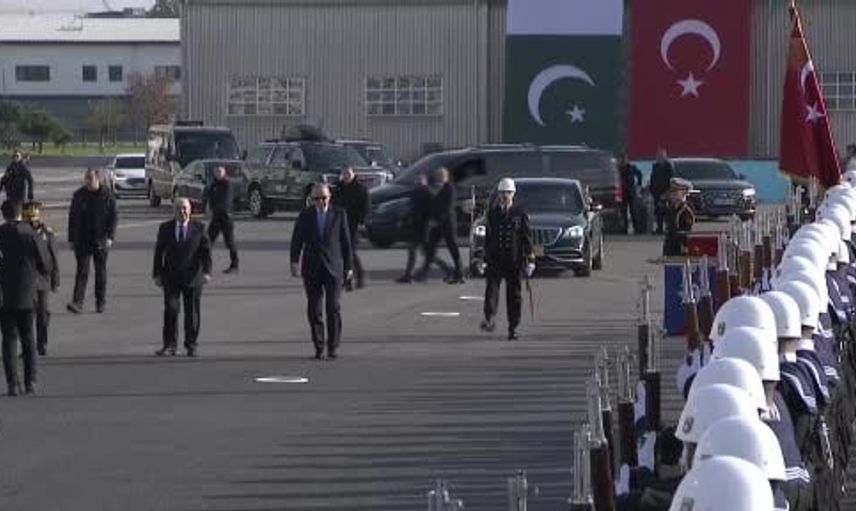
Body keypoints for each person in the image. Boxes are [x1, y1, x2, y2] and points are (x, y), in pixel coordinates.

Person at [290, 183, 353, 360]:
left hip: (334, 267)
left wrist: (349, 267)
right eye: (316, 199)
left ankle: (333, 346)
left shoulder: (339, 214)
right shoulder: (306, 215)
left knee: (333, 307)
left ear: (329, 197)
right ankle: (319, 346)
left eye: (324, 198)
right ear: (312, 200)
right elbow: (297, 240)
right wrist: (294, 261)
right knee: (314, 308)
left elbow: (346, 243)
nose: (320, 202)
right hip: (312, 267)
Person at [0, 200, 50, 396]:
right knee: (28, 337)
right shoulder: (30, 234)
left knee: (9, 339)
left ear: (4, 214)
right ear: (20, 213)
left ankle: (13, 383)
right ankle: (31, 381)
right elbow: (45, 263)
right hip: (27, 292)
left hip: (4, 293)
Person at [152, 198, 212, 357]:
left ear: (190, 210)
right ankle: (169, 345)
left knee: (192, 312)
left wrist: (207, 272)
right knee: (171, 309)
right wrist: (156, 274)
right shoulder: (165, 228)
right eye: (179, 209)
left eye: (185, 208)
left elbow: (206, 253)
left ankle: (191, 344)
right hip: (171, 276)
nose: (182, 211)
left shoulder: (199, 228)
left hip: (192, 277)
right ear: (174, 211)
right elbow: (159, 252)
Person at [479, 178, 535, 340]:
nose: (505, 196)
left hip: (514, 260)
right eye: (502, 193)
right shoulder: (492, 214)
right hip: (495, 259)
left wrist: (530, 259)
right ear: (498, 194)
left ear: (513, 194)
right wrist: (483, 258)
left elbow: (527, 238)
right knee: (491, 290)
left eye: (508, 192)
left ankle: (513, 327)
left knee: (514, 295)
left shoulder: (520, 214)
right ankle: (489, 317)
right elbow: (488, 239)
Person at [67, 168, 118, 314]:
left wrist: (110, 237)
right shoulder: (79, 195)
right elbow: (72, 218)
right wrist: (71, 239)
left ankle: (100, 302)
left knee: (100, 271)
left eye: (90, 178)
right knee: (82, 271)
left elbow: (114, 217)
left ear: (98, 179)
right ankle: (77, 303)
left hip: (100, 238)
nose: (88, 181)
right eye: (86, 178)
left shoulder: (107, 195)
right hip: (82, 238)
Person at [22, 201, 59, 357]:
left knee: (43, 313)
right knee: (26, 314)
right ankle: (28, 346)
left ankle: (41, 343)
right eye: (28, 218)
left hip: (43, 279)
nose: (32, 221)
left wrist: (55, 280)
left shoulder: (47, 233)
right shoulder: (20, 233)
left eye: (34, 218)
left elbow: (53, 257)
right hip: (25, 280)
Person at [416, 167, 464, 283]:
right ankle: (423, 274)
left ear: (445, 177)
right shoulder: (440, 188)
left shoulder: (449, 189)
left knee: (453, 248)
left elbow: (447, 208)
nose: (438, 178)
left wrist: (436, 220)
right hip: (438, 225)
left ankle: (459, 273)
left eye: (440, 176)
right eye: (437, 176)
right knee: (431, 248)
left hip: (447, 224)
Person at [334, 166, 369, 288]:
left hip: (353, 224)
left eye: (348, 174)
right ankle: (347, 278)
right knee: (342, 252)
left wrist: (362, 222)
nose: (346, 176)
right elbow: (333, 203)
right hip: (339, 223)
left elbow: (366, 207)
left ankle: (360, 275)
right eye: (344, 174)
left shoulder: (360, 189)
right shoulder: (338, 187)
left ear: (353, 174)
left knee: (351, 251)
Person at [397, 173, 433, 283]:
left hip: (423, 227)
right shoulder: (415, 193)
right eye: (416, 180)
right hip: (415, 227)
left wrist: (429, 224)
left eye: (419, 180)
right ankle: (408, 275)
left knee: (426, 253)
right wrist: (404, 219)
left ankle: (448, 270)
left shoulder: (428, 194)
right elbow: (411, 209)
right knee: (413, 251)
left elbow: (430, 211)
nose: (417, 182)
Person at [205, 166, 239, 273]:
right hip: (216, 218)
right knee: (207, 241)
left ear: (224, 173)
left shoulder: (227, 184)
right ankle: (203, 265)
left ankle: (234, 265)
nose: (218, 173)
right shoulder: (213, 184)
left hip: (226, 217)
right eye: (216, 172)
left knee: (229, 242)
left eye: (220, 172)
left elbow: (225, 201)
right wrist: (207, 208)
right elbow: (209, 197)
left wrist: (216, 209)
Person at [661, 177, 694, 257]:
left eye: (675, 192)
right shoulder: (672, 208)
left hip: (680, 246)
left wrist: (684, 245)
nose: (672, 194)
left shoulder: (685, 209)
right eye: (671, 191)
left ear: (684, 192)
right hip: (670, 245)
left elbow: (686, 230)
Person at [649, 148, 674, 234]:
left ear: (665, 156)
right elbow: (652, 179)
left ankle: (669, 228)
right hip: (656, 192)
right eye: (658, 156)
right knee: (658, 212)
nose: (659, 157)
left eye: (661, 156)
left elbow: (670, 180)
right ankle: (659, 228)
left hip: (666, 192)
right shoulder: (655, 166)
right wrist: (651, 189)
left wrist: (667, 193)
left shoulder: (668, 167)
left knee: (667, 211)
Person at [618, 154, 643, 234]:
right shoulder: (619, 168)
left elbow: (639, 174)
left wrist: (639, 184)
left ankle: (637, 228)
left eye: (624, 159)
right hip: (623, 191)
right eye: (622, 159)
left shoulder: (631, 167)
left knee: (633, 211)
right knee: (623, 211)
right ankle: (624, 228)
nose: (623, 161)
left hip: (630, 190)